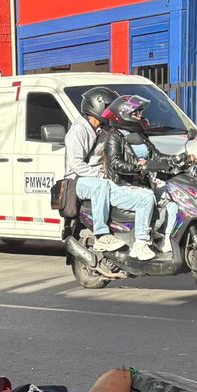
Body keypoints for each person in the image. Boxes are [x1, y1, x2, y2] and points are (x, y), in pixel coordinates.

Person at [64, 86, 153, 259]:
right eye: (109, 107)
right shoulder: (79, 130)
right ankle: (101, 235)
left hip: (102, 181)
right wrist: (101, 176)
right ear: (97, 106)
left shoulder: (103, 130)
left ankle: (140, 240)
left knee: (144, 196)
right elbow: (76, 164)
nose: (112, 112)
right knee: (100, 185)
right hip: (77, 181)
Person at [99, 95, 158, 261]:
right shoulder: (114, 136)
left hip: (142, 184)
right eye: (136, 112)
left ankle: (166, 241)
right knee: (146, 198)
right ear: (123, 114)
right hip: (121, 187)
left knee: (171, 200)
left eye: (140, 112)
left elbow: (156, 156)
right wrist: (136, 167)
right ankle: (140, 244)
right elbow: (115, 163)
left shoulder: (139, 135)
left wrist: (179, 159)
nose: (140, 115)